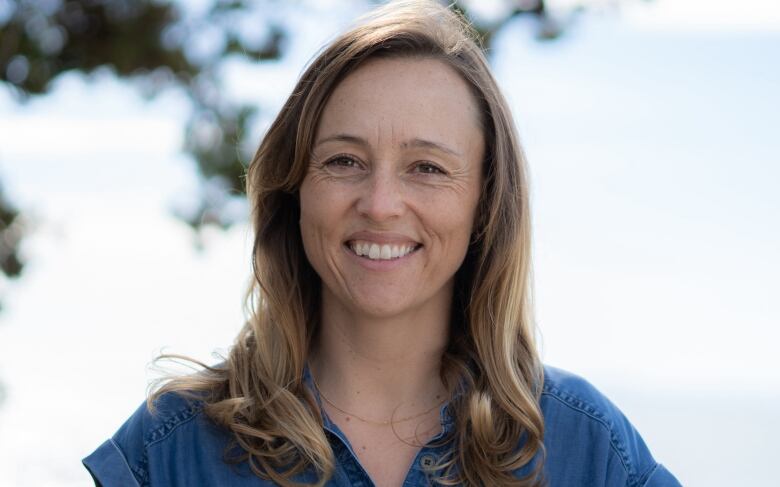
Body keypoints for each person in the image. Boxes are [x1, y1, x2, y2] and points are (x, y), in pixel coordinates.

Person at [83, 1, 682, 486]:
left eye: (427, 167)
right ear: (294, 191)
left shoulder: (585, 448)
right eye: (344, 161)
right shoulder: (173, 451)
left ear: (485, 203)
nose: (380, 203)